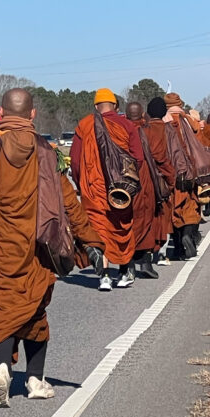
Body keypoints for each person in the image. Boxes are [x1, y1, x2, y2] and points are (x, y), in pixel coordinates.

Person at [0, 88, 105, 408]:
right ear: (33, 115)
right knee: (34, 312)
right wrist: (90, 240)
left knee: (1, 311)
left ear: (1, 114)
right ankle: (35, 381)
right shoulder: (46, 152)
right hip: (37, 248)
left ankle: (1, 369)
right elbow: (68, 204)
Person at [71, 88, 144, 290]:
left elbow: (75, 161)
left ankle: (103, 277)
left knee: (98, 229)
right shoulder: (126, 125)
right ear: (116, 106)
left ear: (95, 107)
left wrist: (80, 184)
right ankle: (124, 272)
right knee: (121, 227)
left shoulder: (85, 125)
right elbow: (138, 158)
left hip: (93, 188)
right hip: (120, 189)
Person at [163, 92, 200, 259]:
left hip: (171, 172)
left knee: (174, 210)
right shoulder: (188, 120)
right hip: (189, 171)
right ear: (179, 103)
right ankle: (188, 234)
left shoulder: (163, 121)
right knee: (190, 206)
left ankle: (177, 248)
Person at [125, 102, 160, 278]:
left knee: (127, 221)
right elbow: (160, 156)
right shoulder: (149, 131)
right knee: (147, 218)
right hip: (144, 179)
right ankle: (145, 261)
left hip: (122, 182)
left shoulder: (119, 131)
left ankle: (128, 263)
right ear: (142, 114)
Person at [144, 97, 176, 266]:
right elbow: (172, 155)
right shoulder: (168, 130)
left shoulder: (143, 130)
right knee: (164, 215)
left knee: (148, 216)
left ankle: (147, 251)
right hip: (163, 177)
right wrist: (171, 178)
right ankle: (162, 254)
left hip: (145, 179)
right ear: (165, 112)